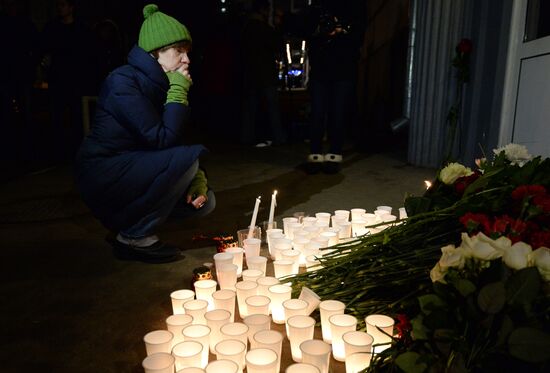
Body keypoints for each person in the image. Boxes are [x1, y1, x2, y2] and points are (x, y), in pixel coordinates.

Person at [74, 4, 215, 263]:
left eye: (187, 52)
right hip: (103, 170)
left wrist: (197, 181)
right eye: (179, 51)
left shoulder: (163, 83)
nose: (187, 59)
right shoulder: (123, 82)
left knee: (206, 202)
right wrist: (178, 93)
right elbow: (160, 138)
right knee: (185, 163)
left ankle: (126, 225)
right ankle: (134, 237)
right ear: (155, 53)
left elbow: (176, 143)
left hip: (132, 167)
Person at [304, 0, 363, 174]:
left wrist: (344, 30)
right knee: (317, 112)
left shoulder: (355, 9)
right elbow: (308, 33)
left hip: (343, 70)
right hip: (321, 71)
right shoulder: (317, 8)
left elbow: (358, 37)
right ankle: (315, 153)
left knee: (338, 113)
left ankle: (334, 154)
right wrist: (321, 31)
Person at [40, 0, 94, 161]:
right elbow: (44, 51)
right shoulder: (53, 28)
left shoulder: (81, 29)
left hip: (76, 79)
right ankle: (59, 151)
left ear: (71, 7)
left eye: (63, 5)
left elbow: (88, 54)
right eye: (58, 5)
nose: (60, 8)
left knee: (77, 114)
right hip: (59, 78)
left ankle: (77, 150)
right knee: (57, 114)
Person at [240, 0, 286, 147]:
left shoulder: (247, 28)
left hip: (251, 72)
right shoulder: (263, 28)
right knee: (272, 106)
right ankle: (278, 137)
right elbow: (277, 44)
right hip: (265, 73)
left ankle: (248, 136)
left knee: (251, 107)